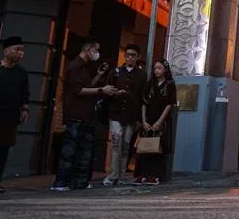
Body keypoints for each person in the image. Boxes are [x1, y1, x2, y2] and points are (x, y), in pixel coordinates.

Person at [52, 39, 118, 191]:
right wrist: (102, 90)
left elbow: (87, 86)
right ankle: (62, 182)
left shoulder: (85, 68)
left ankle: (79, 181)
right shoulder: (75, 66)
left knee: (84, 150)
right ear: (88, 49)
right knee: (70, 150)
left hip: (87, 114)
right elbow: (78, 90)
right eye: (95, 50)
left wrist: (99, 75)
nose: (97, 53)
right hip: (76, 114)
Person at [102, 43, 147, 187]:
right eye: (128, 55)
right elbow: (107, 90)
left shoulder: (141, 75)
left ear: (137, 57)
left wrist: (141, 119)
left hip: (131, 115)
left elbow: (142, 97)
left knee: (126, 145)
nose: (130, 58)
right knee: (116, 143)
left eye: (133, 55)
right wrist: (116, 93)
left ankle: (121, 175)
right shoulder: (116, 72)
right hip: (116, 112)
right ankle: (113, 174)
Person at [133, 59, 176, 185]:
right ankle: (142, 174)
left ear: (165, 69)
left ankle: (155, 175)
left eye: (159, 68)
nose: (157, 71)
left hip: (161, 120)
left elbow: (169, 104)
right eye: (155, 68)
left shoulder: (170, 85)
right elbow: (144, 103)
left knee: (157, 147)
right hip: (148, 119)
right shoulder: (149, 85)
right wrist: (144, 120)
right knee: (144, 147)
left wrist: (159, 121)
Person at [0, 36, 29, 194]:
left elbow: (25, 93)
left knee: (3, 149)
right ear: (6, 51)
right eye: (17, 49)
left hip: (10, 117)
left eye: (22, 51)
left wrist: (25, 109)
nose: (20, 53)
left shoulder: (21, 72)